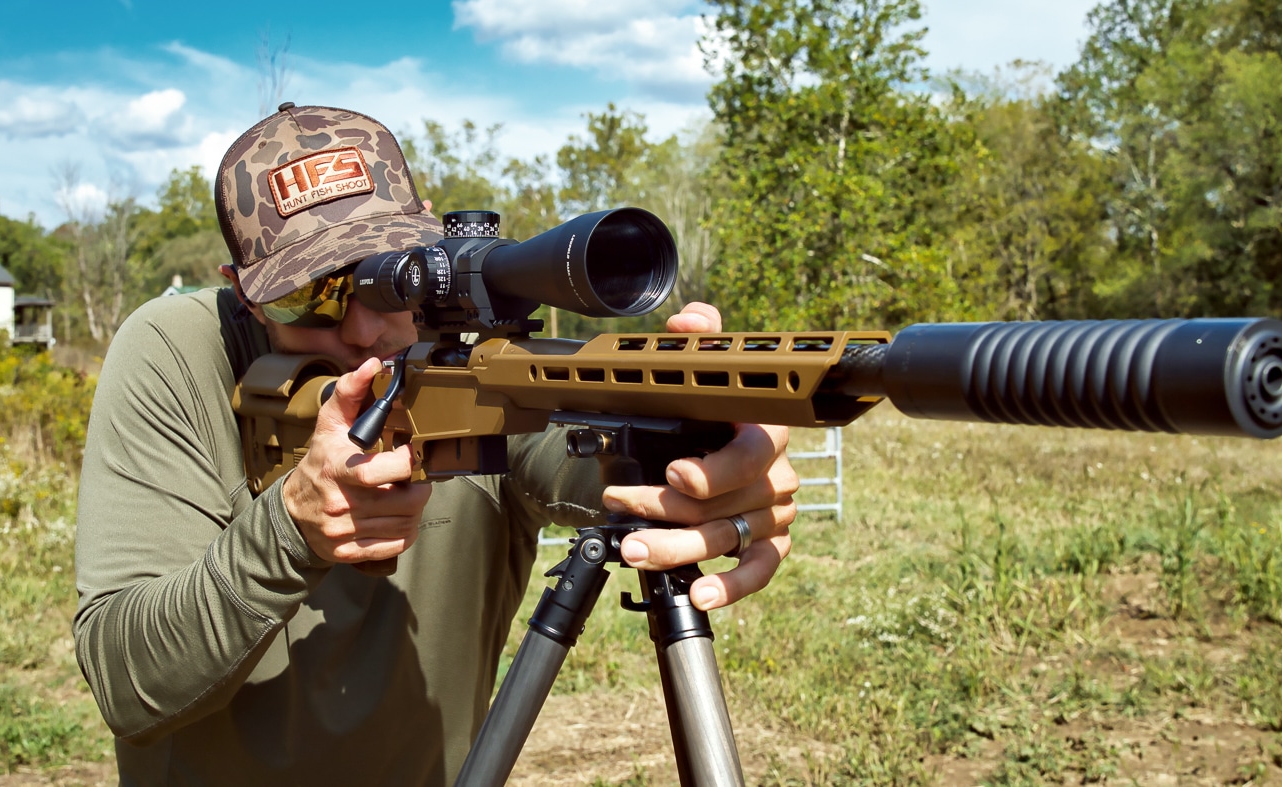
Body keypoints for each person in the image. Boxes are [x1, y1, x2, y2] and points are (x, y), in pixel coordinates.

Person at [73, 103, 797, 785]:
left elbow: (582, 464)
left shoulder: (471, 363)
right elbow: (127, 680)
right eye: (311, 296)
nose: (362, 329)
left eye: (388, 282)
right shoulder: (175, 351)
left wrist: (698, 449)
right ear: (245, 295)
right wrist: (289, 531)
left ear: (431, 248)